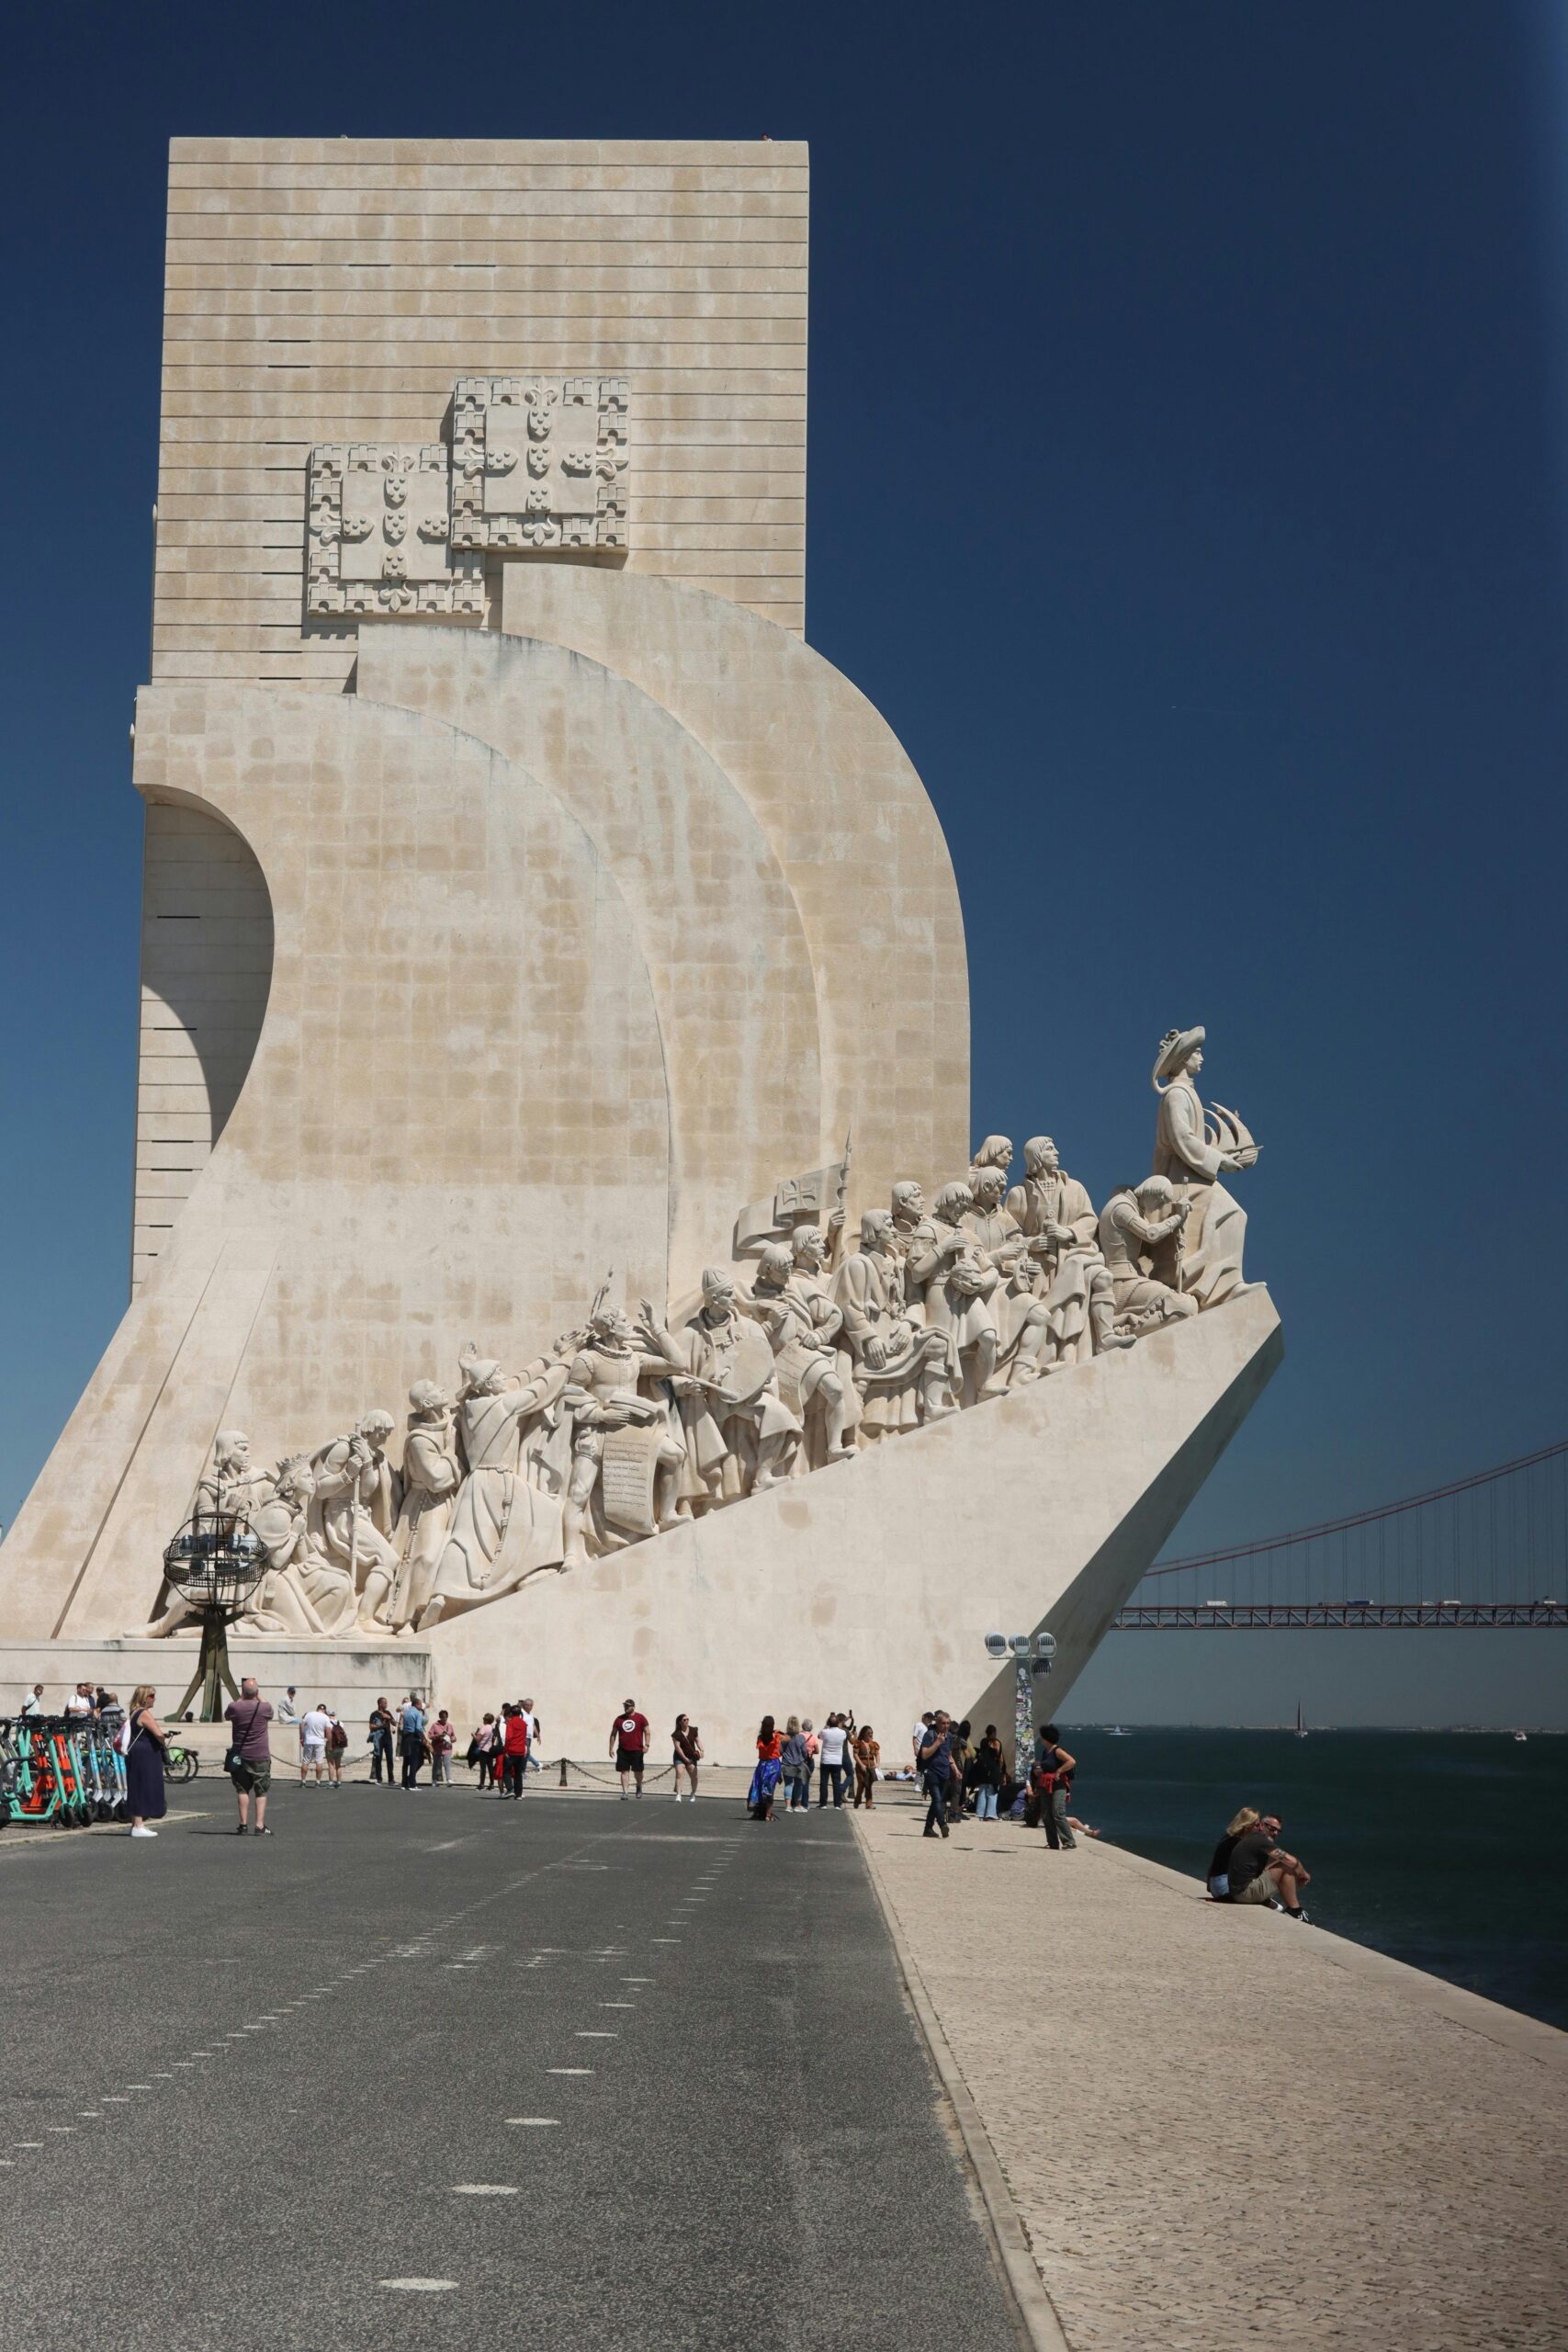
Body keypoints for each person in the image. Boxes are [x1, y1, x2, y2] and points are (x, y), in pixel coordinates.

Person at [1225, 1813, 1312, 1919]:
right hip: (1243, 1894)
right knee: (1287, 1866)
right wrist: (1303, 1874)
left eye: (1278, 1831)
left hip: (1237, 1892)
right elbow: (1291, 1861)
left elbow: (1266, 1868)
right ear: (1262, 1825)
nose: (1275, 1833)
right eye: (1272, 1829)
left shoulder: (1253, 1838)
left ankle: (1292, 1909)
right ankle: (1295, 1910)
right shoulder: (1260, 1839)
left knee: (1283, 1864)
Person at [223, 1674, 274, 1837]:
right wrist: (257, 1694)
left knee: (242, 1789)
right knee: (261, 1791)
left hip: (240, 1755)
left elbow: (227, 1715)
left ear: (243, 1692)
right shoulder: (264, 1708)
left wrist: (242, 1695)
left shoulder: (234, 1707)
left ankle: (243, 1825)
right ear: (257, 1691)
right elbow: (269, 1710)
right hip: (260, 1754)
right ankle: (259, 1825)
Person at [124, 1683, 168, 1838]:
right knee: (142, 1785)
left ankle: (137, 1823)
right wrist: (164, 1743)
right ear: (145, 1698)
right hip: (145, 1753)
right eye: (152, 1696)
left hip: (136, 1751)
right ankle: (138, 1824)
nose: (154, 1699)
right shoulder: (144, 1713)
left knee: (138, 1784)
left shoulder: (134, 1711)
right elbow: (158, 1733)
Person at [1026, 1724, 1077, 1849]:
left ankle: (1069, 1841)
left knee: (1058, 1812)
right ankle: (1053, 1842)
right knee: (1046, 1814)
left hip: (1058, 1786)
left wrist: (1059, 1771)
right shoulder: (1045, 1752)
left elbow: (1071, 1761)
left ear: (1046, 1738)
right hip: (1045, 1786)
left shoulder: (1057, 1751)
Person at [1207, 1806, 1259, 1898]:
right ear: (1247, 1825)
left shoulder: (1227, 1838)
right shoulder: (1240, 1844)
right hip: (1224, 1888)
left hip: (1215, 1886)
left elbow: (1214, 1865)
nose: (1259, 1829)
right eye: (1257, 1825)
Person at [919, 1712, 954, 1837]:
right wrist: (937, 1743)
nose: (946, 1726)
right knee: (937, 1799)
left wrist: (955, 1769)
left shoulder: (949, 1737)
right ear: (937, 1723)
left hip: (944, 1773)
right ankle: (942, 1824)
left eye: (948, 1723)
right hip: (931, 1771)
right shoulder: (929, 1735)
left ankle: (928, 1829)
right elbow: (924, 1754)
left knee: (936, 1802)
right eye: (943, 1723)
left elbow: (948, 1755)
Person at [609, 1698, 650, 1799]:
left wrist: (647, 1745)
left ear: (633, 1707)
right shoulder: (619, 1719)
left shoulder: (640, 1718)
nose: (626, 1707)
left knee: (638, 1771)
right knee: (624, 1771)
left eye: (628, 1706)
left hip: (637, 1750)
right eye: (625, 1706)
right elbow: (613, 1734)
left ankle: (639, 1786)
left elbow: (647, 1732)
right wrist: (611, 1748)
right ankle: (625, 1792)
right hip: (623, 1750)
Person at [749, 1714, 783, 1821]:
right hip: (773, 1764)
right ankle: (768, 1814)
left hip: (762, 1765)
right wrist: (778, 1731)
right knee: (769, 1790)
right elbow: (788, 1738)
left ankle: (758, 1812)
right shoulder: (777, 1736)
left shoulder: (760, 1738)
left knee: (758, 1787)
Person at [972, 1724, 1005, 1821]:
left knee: (982, 1790)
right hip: (994, 1770)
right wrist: (1001, 1769)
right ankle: (990, 1814)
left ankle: (980, 1813)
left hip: (983, 1770)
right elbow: (1000, 1758)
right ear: (994, 1732)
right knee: (993, 1791)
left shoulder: (983, 1741)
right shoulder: (997, 1743)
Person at [816, 1713, 849, 1809]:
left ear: (828, 1723)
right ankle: (837, 1804)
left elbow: (819, 1736)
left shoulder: (825, 1732)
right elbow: (844, 1737)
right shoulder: (842, 1733)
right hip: (837, 1761)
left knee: (824, 1783)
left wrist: (825, 1726)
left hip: (826, 1760)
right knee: (836, 1783)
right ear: (838, 1722)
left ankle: (823, 1804)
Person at [780, 1717, 810, 1813]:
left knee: (788, 1785)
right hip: (798, 1764)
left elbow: (780, 1751)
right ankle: (798, 1805)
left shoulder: (785, 1737)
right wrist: (803, 1757)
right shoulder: (801, 1737)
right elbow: (805, 1751)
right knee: (798, 1785)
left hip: (787, 1763)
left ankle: (788, 1806)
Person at [500, 1702, 529, 1798]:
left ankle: (510, 1789)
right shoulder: (524, 1723)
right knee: (518, 1773)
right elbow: (524, 1737)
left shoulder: (511, 1722)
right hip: (520, 1750)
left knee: (506, 1771)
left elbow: (508, 1737)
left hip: (512, 1750)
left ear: (511, 1713)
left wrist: (506, 1750)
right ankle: (518, 1794)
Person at [299, 1702, 332, 1786]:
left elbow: (302, 1725)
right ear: (324, 1711)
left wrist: (302, 1737)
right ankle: (317, 1782)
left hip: (308, 1740)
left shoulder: (309, 1714)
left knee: (306, 1761)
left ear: (317, 1709)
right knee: (319, 1762)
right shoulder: (325, 1717)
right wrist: (329, 1742)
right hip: (320, 1742)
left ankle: (303, 1781)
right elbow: (328, 1732)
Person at [671, 1714, 703, 1803]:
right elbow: (678, 1748)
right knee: (679, 1774)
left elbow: (698, 1741)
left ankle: (693, 1793)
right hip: (679, 1756)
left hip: (691, 1756)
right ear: (680, 1722)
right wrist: (684, 1758)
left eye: (687, 1719)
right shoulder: (676, 1734)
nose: (686, 1721)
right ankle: (678, 1794)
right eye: (684, 1720)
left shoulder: (693, 1730)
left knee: (694, 1776)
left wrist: (702, 1750)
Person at [400, 1693, 427, 1789]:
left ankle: (404, 1783)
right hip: (414, 1737)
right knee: (414, 1761)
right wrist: (423, 1738)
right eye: (420, 1705)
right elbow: (419, 1728)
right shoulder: (417, 1714)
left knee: (406, 1761)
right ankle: (412, 1784)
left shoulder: (407, 1713)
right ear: (417, 1705)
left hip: (405, 1737)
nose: (421, 1707)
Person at [368, 1696, 395, 1786]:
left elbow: (395, 1723)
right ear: (380, 1704)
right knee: (378, 1759)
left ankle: (391, 1779)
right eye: (385, 1703)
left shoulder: (388, 1712)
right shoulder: (374, 1714)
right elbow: (371, 1727)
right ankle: (379, 1779)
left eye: (386, 1703)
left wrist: (388, 1717)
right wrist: (381, 1726)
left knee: (390, 1759)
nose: (386, 1705)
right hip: (378, 1739)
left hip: (388, 1738)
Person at [852, 1723, 880, 1808]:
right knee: (862, 1784)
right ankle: (857, 1799)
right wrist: (861, 1765)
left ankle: (869, 1803)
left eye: (871, 1733)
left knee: (869, 1785)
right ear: (864, 1733)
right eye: (869, 1733)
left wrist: (877, 1764)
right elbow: (855, 1755)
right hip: (861, 1767)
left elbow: (877, 1754)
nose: (870, 1735)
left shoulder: (874, 1744)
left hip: (871, 1767)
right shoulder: (859, 1743)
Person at [428, 1708, 457, 1787]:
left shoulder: (449, 1725)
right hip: (437, 1748)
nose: (444, 1719)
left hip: (447, 1748)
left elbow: (453, 1736)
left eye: (446, 1717)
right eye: (443, 1717)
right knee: (436, 1764)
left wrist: (451, 1739)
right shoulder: (435, 1725)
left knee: (447, 1764)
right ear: (440, 1717)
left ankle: (449, 1779)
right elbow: (430, 1735)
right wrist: (438, 1736)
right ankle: (434, 1779)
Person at [473, 1712, 500, 1792]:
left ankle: (481, 1784)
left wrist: (473, 1735)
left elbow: (478, 1739)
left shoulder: (484, 1728)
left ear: (485, 1720)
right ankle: (491, 1784)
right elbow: (493, 1739)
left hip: (483, 1749)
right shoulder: (492, 1728)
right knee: (490, 1767)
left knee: (483, 1768)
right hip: (490, 1749)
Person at [325, 1710, 347, 1786]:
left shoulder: (328, 1723)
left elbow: (329, 1735)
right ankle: (339, 1782)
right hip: (340, 1746)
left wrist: (330, 1746)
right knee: (338, 1764)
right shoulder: (340, 1723)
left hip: (332, 1746)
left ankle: (331, 1782)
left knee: (331, 1764)